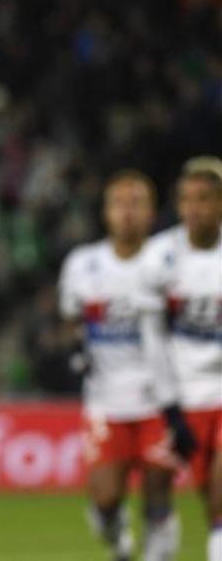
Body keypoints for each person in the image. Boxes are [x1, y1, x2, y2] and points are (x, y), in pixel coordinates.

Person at [59, 170, 193, 561]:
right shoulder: (83, 264)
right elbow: (72, 318)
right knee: (105, 499)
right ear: (106, 213)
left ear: (152, 213)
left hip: (159, 400)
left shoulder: (169, 262)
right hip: (106, 400)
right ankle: (118, 541)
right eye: (119, 204)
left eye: (137, 204)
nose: (128, 213)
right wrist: (76, 350)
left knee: (157, 494)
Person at [141, 157, 222, 561]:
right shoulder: (159, 255)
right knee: (157, 487)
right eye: (187, 199)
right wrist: (169, 405)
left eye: (205, 199)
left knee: (219, 496)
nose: (194, 208)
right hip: (177, 393)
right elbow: (150, 334)